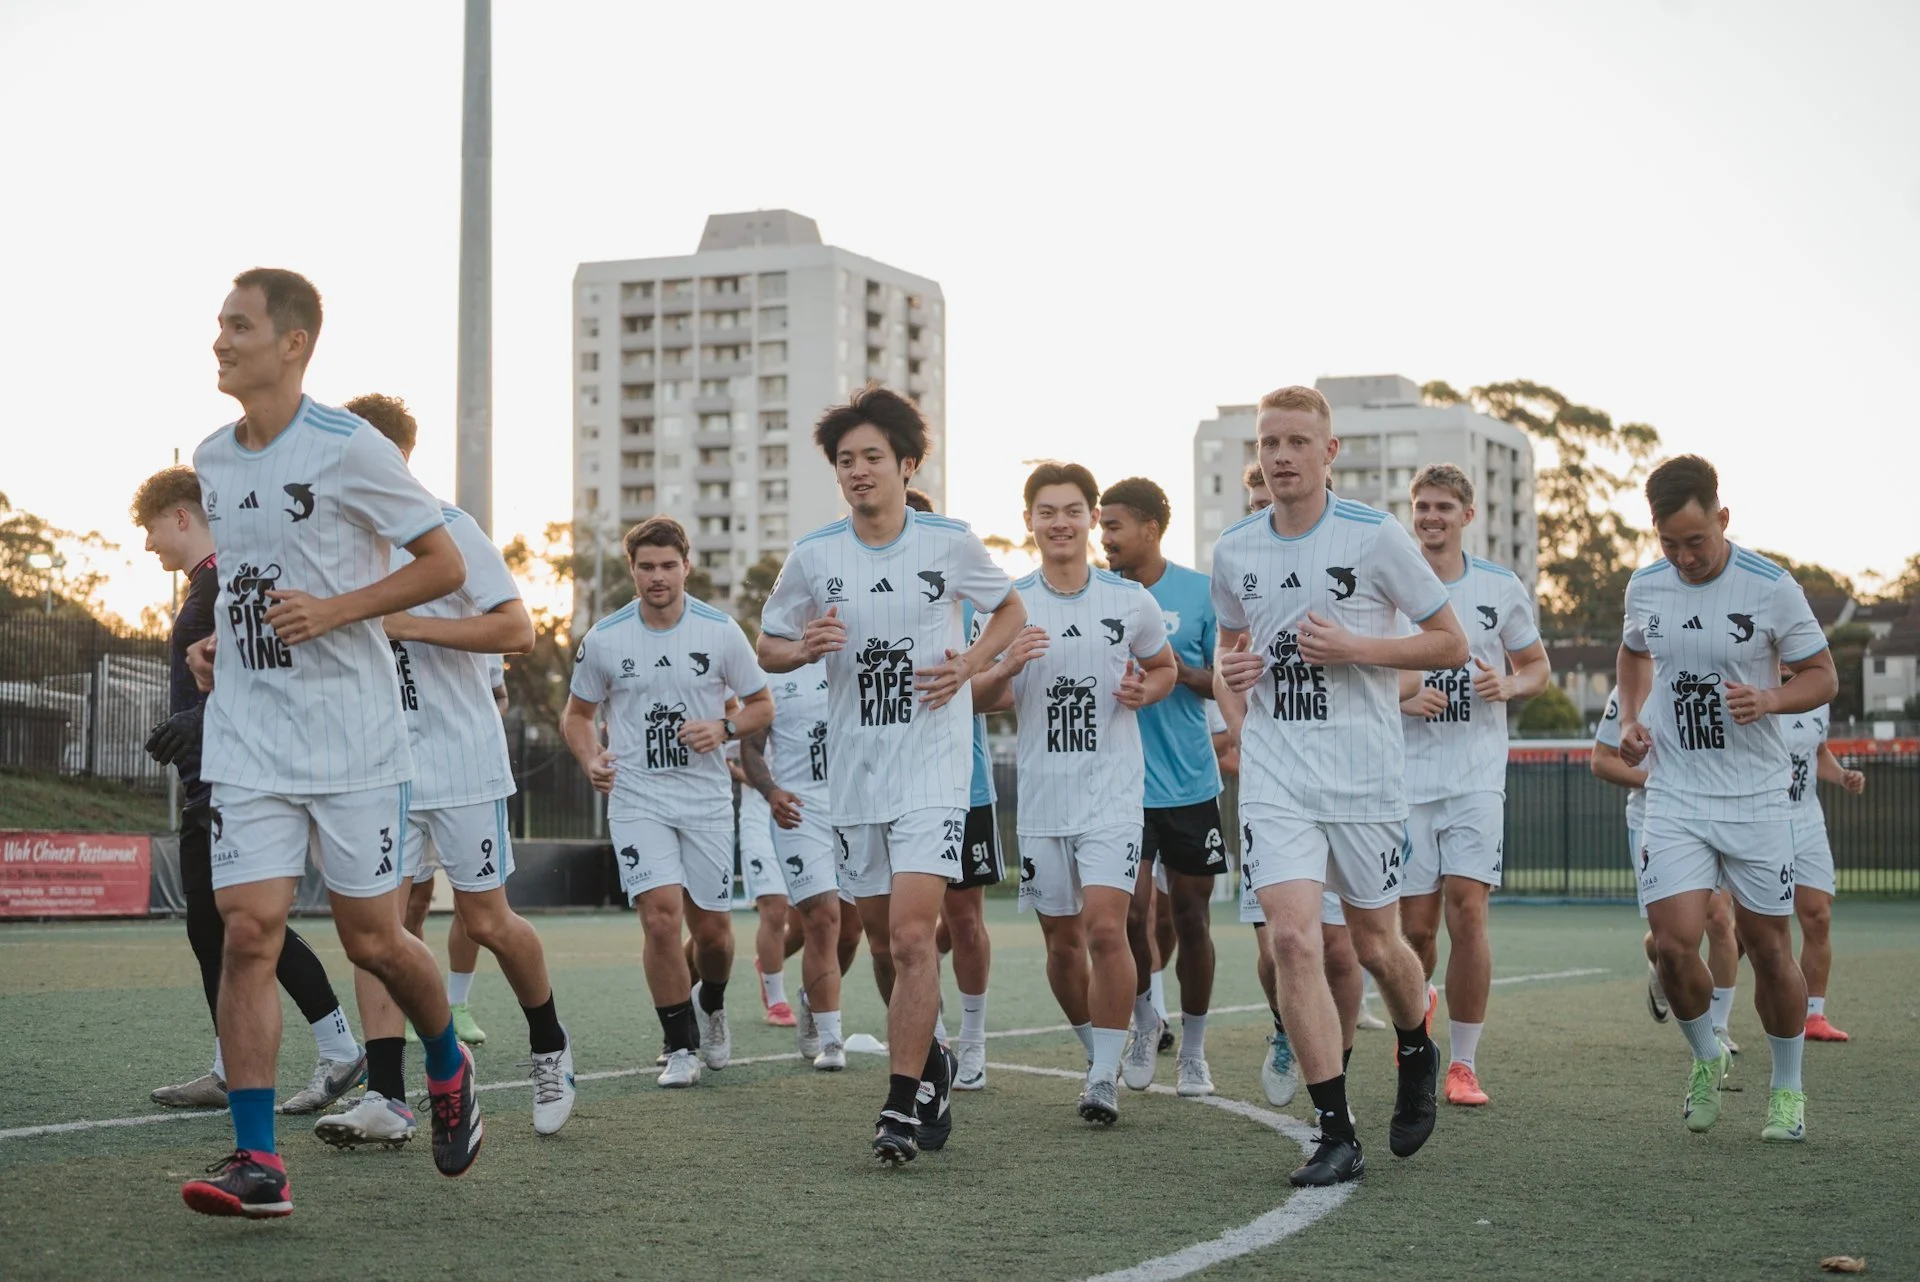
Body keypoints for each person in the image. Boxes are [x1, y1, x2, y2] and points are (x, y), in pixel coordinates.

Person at [178, 268, 481, 1218]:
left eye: (238, 326)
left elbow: (444, 563)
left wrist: (338, 611)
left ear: (294, 342)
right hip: (250, 738)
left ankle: (446, 1062)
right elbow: (254, 576)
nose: (219, 341)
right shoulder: (214, 457)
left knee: (375, 940)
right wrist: (221, 638)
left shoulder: (351, 450)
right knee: (248, 933)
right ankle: (260, 1162)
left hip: (353, 742)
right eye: (218, 324)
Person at [758, 383, 1025, 1165]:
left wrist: (971, 663)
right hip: (857, 778)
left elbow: (1012, 612)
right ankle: (933, 1057)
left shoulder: (949, 541)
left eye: (873, 457)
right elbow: (767, 648)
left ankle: (899, 1107)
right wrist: (805, 646)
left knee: (915, 937)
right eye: (846, 460)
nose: (859, 471)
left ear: (906, 464)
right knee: (880, 945)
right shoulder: (814, 555)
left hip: (934, 774)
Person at [1213, 384, 1467, 1187]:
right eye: (1268, 443)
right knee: (1292, 939)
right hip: (1279, 775)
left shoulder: (1375, 536)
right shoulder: (1235, 549)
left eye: (1296, 442)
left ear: (1329, 454)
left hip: (1364, 774)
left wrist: (1357, 645)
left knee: (1376, 946)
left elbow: (1450, 645)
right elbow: (1228, 651)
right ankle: (1335, 1131)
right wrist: (1239, 691)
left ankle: (1417, 1041)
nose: (1280, 456)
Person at [310, 393, 574, 1145]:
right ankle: (388, 1098)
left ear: (388, 457)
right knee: (378, 930)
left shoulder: (449, 528)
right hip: (375, 765)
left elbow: (516, 628)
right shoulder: (336, 538)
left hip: (459, 761)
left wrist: (403, 619)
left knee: (486, 919)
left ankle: (550, 1046)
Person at [1616, 454, 1837, 1143]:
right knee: (1673, 949)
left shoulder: (1771, 586)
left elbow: (1823, 676)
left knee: (1771, 948)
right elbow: (1631, 655)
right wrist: (1630, 718)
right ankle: (1707, 1060)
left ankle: (1787, 1090)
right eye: (1669, 544)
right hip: (1676, 794)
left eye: (1696, 542)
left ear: (1723, 518)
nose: (1683, 557)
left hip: (1757, 797)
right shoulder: (1646, 586)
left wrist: (1771, 697)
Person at [131, 466, 365, 1117]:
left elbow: (264, 673)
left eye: (150, 528)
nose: (148, 545)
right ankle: (229, 1066)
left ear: (181, 516)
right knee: (214, 931)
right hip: (209, 776)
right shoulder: (205, 584)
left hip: (236, 776)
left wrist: (200, 721)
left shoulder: (224, 581)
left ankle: (338, 1047)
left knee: (244, 926)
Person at [972, 462, 1175, 1125]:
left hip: (1113, 795)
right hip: (1042, 801)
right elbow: (974, 695)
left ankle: (1100, 1080)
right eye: (1046, 512)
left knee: (1107, 929)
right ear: (1028, 522)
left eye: (1072, 510)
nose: (1060, 523)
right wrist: (1006, 664)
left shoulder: (1128, 601)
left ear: (1092, 518)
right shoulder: (1008, 606)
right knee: (1061, 944)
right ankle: (1099, 1051)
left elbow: (1164, 666)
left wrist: (1148, 688)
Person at [562, 516, 773, 1088]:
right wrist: (590, 758)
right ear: (632, 570)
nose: (658, 577)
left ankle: (714, 1005)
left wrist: (724, 730)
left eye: (667, 565)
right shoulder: (605, 638)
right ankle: (679, 1045)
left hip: (704, 800)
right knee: (659, 919)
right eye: (646, 567)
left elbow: (761, 705)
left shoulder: (720, 630)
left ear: (686, 565)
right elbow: (577, 716)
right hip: (637, 798)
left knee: (713, 935)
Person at [1394, 464, 1551, 1106]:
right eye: (1421, 507)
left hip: (1476, 780)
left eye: (1442, 507)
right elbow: (1361, 669)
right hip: (1402, 784)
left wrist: (1508, 685)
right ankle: (1415, 1033)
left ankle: (1462, 1064)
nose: (1430, 517)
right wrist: (1403, 701)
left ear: (1468, 514)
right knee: (1416, 932)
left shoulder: (1498, 586)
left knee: (1468, 909)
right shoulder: (1388, 584)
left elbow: (1536, 666)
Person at [1225, 462, 1365, 1112]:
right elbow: (1228, 673)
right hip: (1274, 786)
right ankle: (1289, 1031)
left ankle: (1334, 1067)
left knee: (1343, 947)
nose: (1267, 507)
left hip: (1346, 784)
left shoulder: (1347, 566)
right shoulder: (1241, 567)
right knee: (1278, 943)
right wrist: (1247, 729)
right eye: (1255, 500)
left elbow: (1411, 664)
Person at [1098, 476, 1224, 1098]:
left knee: (1193, 918)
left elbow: (1223, 684)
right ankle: (1145, 1022)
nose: (1104, 536)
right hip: (1120, 785)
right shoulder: (1092, 593)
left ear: (1150, 527)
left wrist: (1167, 664)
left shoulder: (1200, 593)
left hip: (1190, 782)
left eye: (1114, 524)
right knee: (1131, 911)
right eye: (1102, 525)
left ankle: (1194, 1051)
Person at [906, 485, 1000, 1092]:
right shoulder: (852, 586)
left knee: (962, 920)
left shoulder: (965, 594)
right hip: (886, 782)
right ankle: (927, 1040)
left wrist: (970, 674)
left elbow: (994, 690)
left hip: (961, 780)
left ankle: (972, 1038)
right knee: (899, 928)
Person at [1592, 687, 1744, 1045]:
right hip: (1654, 820)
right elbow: (1601, 760)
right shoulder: (1629, 692)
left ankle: (1717, 1027)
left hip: (1715, 815)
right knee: (1670, 940)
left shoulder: (1715, 675)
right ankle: (1655, 958)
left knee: (1720, 919)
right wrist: (1660, 780)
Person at [739, 660, 849, 1068]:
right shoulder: (769, 674)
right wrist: (771, 792)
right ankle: (833, 1040)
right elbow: (750, 748)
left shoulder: (855, 654)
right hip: (799, 812)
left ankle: (810, 1000)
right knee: (821, 919)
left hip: (857, 806)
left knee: (853, 932)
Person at [1775, 676, 1865, 1042]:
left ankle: (1814, 1016)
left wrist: (1842, 776)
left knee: (1818, 915)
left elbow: (1817, 751)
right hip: (1767, 818)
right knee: (1750, 932)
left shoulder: (1818, 696)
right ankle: (1717, 1014)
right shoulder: (1753, 689)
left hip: (1808, 820)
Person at [731, 743, 797, 1027]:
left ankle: (767, 962)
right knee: (774, 908)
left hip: (803, 813)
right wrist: (758, 779)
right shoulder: (744, 703)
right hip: (758, 819)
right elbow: (719, 755)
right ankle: (776, 999)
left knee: (808, 922)